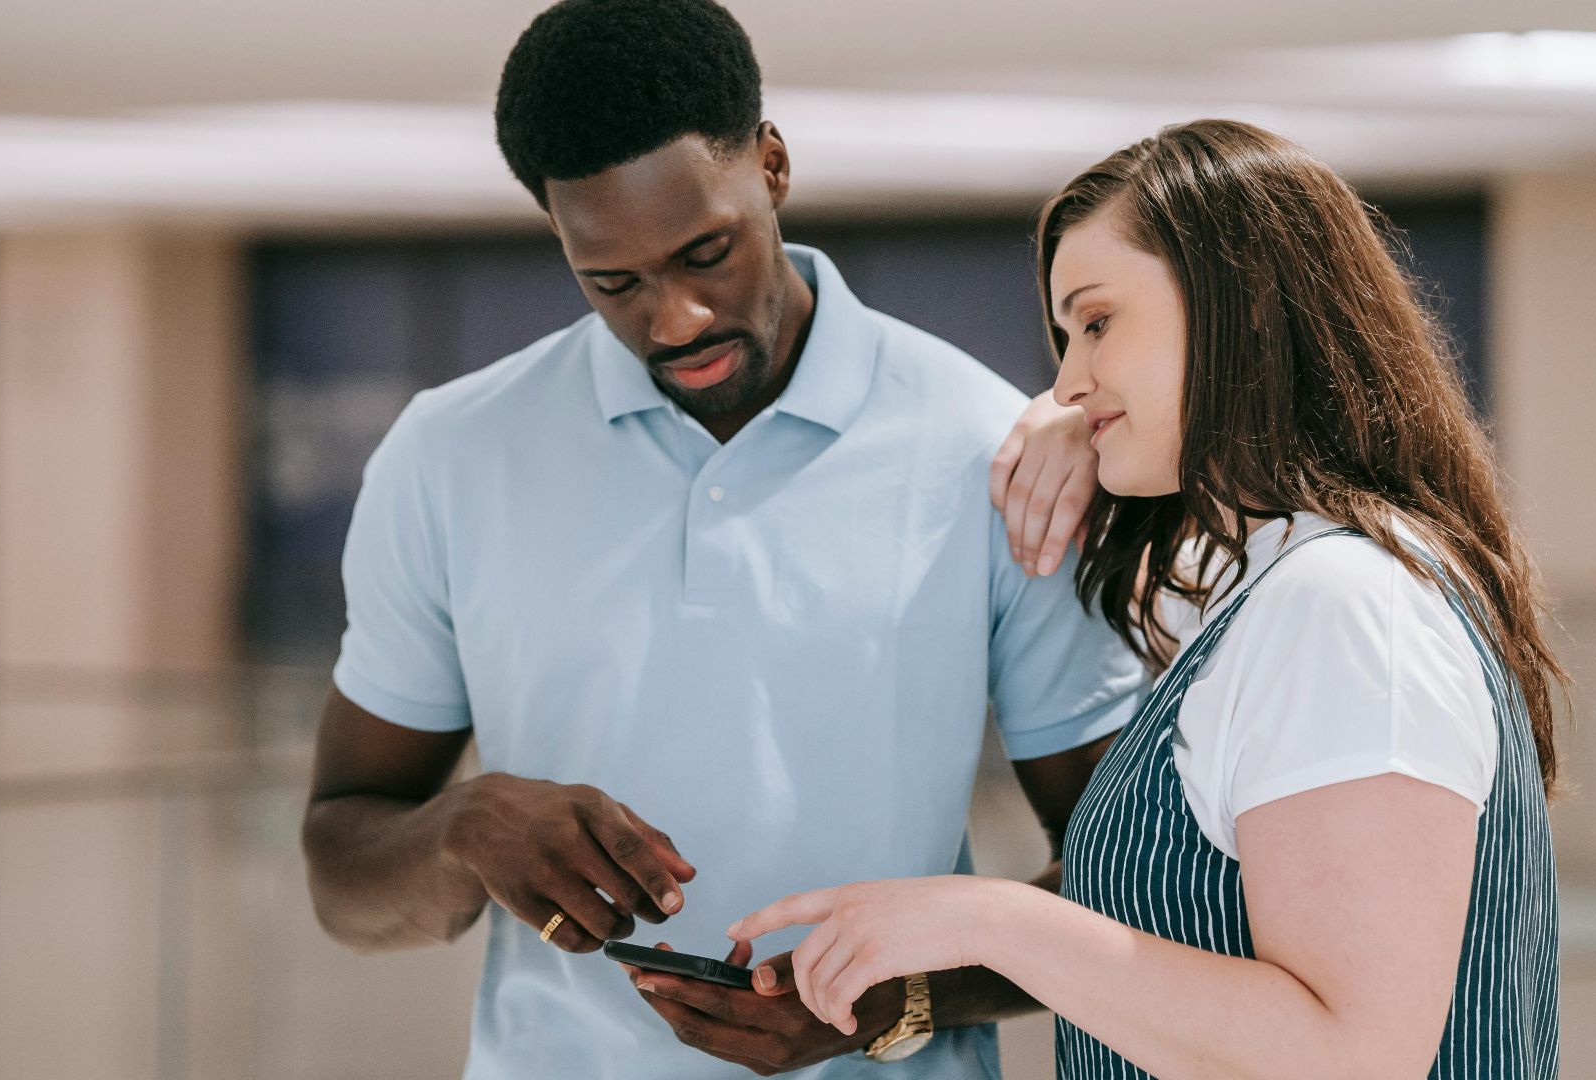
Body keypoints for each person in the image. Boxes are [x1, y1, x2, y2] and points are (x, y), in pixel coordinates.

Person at [297, 1, 1145, 1077]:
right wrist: (459, 830)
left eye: (707, 252)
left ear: (773, 166)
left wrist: (887, 999)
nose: (675, 319)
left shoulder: (985, 449)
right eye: (614, 282)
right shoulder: (452, 454)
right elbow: (344, 871)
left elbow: (1125, 880)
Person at [731, 119, 1566, 1079]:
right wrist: (1082, 420)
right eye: (1062, 337)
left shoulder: (1343, 606)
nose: (1066, 378)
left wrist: (989, 919)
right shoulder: (1281, 582)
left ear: (1240, 308)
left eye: (1096, 323)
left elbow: (1354, 1053)